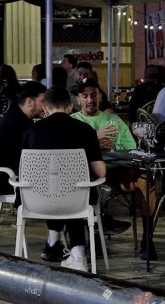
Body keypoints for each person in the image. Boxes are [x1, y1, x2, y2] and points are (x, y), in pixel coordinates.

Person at [71, 78, 158, 260]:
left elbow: (131, 149)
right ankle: (92, 238)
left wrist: (111, 148)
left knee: (147, 181)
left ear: (100, 97)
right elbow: (67, 151)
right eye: (85, 96)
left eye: (93, 95)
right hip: (85, 174)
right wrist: (94, 143)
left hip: (116, 171)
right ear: (78, 100)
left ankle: (147, 239)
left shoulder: (114, 120)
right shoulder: (72, 121)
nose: (90, 99)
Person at [22, 86, 106, 272]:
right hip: (76, 203)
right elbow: (100, 172)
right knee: (75, 189)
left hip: (36, 202)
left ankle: (54, 243)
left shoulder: (31, 131)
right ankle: (78, 254)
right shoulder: (85, 130)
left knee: (62, 188)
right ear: (70, 107)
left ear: (45, 107)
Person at [0, 81, 46, 193]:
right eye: (42, 101)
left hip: (3, 174)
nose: (45, 106)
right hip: (5, 178)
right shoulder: (18, 124)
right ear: (29, 102)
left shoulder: (15, 117)